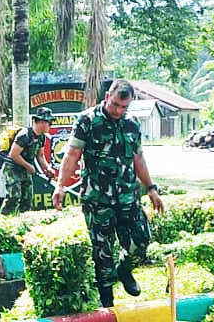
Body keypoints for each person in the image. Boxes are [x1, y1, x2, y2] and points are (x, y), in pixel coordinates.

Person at [53, 80, 165, 308]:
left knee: (141, 239)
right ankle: (107, 304)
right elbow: (72, 154)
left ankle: (124, 270)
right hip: (97, 199)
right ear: (106, 96)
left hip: (127, 197)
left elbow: (138, 158)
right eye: (115, 105)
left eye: (124, 107)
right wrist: (60, 186)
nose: (118, 111)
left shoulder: (132, 124)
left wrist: (151, 189)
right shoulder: (87, 120)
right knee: (102, 253)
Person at [2, 108, 57, 214]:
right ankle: (3, 222)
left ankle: (23, 222)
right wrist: (28, 166)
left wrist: (47, 169)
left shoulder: (42, 137)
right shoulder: (25, 135)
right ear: (41, 122)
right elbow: (13, 155)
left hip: (25, 169)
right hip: (13, 169)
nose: (51, 125)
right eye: (49, 122)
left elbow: (40, 156)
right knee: (13, 197)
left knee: (27, 199)